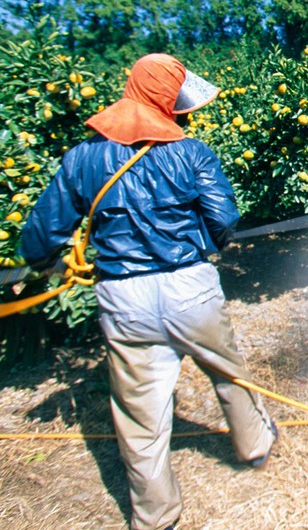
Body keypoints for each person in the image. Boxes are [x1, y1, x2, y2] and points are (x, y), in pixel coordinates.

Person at [20, 53, 278, 530]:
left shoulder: (82, 158)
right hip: (189, 288)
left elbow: (40, 237)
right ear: (165, 101)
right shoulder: (191, 152)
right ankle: (256, 446)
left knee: (141, 416)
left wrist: (47, 262)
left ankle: (156, 516)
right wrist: (202, 245)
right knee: (228, 372)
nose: (187, 112)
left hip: (124, 297)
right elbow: (223, 220)